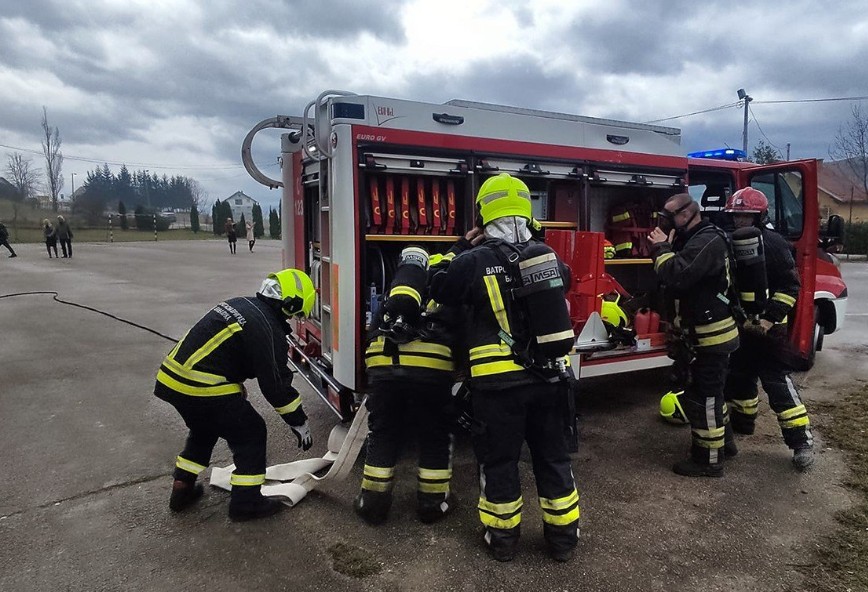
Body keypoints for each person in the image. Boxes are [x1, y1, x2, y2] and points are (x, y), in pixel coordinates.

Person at [429, 173, 580, 563]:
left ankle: (503, 541)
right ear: (527, 210)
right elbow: (566, 281)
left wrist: (460, 245)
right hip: (552, 378)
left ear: (483, 213)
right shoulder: (547, 255)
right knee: (553, 460)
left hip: (498, 388)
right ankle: (563, 541)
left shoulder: (472, 260)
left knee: (499, 463)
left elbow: (437, 285)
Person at [153, 268, 316, 521]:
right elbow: (275, 386)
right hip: (202, 385)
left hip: (172, 379)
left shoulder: (241, 304)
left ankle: (182, 488)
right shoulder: (268, 329)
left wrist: (230, 383)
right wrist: (299, 421)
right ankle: (246, 503)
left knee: (204, 427)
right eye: (297, 312)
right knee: (251, 432)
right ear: (291, 303)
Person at [354, 246, 460, 526]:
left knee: (384, 433)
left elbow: (373, 330)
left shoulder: (395, 292)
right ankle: (432, 505)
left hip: (384, 365)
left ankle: (373, 505)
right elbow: (457, 330)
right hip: (431, 369)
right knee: (434, 436)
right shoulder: (443, 287)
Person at [722, 187, 814, 471]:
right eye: (736, 216)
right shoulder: (728, 242)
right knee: (740, 378)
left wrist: (768, 319)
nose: (739, 222)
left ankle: (801, 443)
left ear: (759, 215)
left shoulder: (774, 244)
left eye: (745, 216)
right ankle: (744, 422)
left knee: (777, 384)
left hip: (769, 331)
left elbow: (790, 287)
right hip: (741, 326)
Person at [649, 193, 739, 478]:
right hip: (698, 336)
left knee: (706, 399)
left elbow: (678, 274)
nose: (665, 221)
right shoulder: (690, 239)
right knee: (709, 395)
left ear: (688, 213)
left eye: (670, 215)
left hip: (711, 336)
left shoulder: (708, 240)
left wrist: (661, 249)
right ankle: (726, 444)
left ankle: (709, 460)